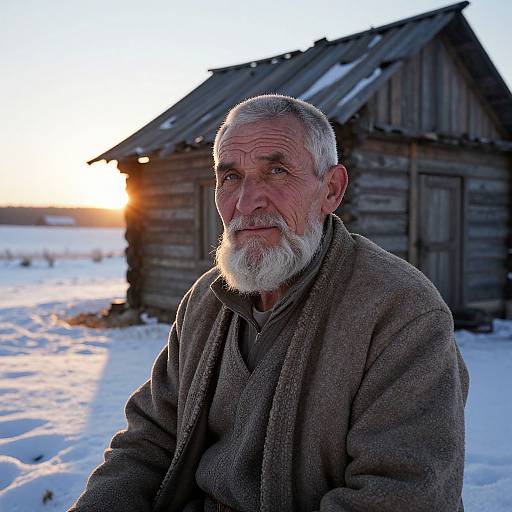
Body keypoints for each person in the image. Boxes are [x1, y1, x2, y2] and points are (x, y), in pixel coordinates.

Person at [70, 95, 469, 512]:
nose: (246, 202)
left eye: (275, 171)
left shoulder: (401, 311)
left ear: (330, 190)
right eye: (230, 177)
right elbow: (148, 442)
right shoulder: (206, 302)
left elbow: (404, 495)